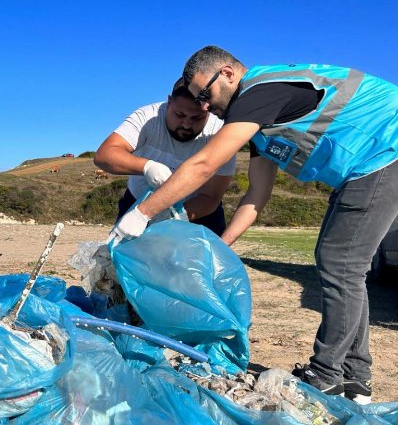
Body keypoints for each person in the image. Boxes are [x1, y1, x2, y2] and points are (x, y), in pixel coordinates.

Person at [111, 46, 398, 404]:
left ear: (228, 74)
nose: (204, 106)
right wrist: (222, 243)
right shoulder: (261, 123)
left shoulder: (259, 92)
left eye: (205, 94)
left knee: (340, 264)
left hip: (386, 152)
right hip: (366, 167)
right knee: (343, 266)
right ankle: (354, 378)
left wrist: (141, 214)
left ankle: (326, 375)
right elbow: (256, 197)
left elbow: (203, 165)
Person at [94, 79, 235, 236]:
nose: (187, 124)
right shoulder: (147, 117)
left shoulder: (220, 132)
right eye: (180, 114)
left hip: (198, 210)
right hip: (138, 202)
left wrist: (170, 217)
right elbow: (104, 154)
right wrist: (147, 167)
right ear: (169, 102)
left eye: (197, 118)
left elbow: (211, 196)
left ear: (208, 110)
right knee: (127, 258)